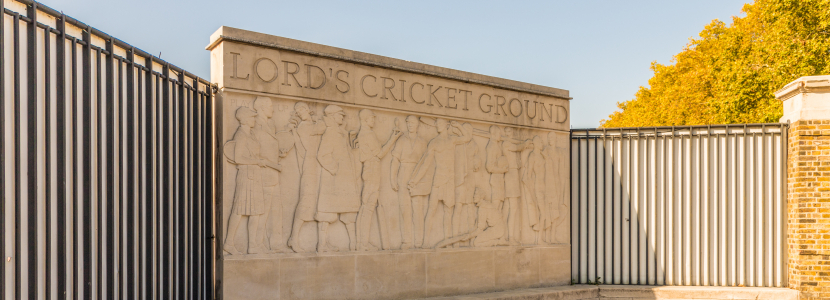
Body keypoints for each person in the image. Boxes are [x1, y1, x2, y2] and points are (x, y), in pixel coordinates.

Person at [224, 107, 280, 255]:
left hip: (255, 175)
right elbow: (238, 158)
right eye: (252, 117)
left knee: (256, 212)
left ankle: (253, 245)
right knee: (239, 211)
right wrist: (257, 162)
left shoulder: (252, 135)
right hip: (246, 175)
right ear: (245, 119)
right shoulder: (241, 135)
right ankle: (229, 243)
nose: (254, 120)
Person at [408, 118, 471, 248]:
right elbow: (426, 164)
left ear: (446, 125)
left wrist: (458, 126)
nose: (438, 125)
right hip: (438, 179)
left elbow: (467, 137)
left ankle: (447, 242)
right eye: (437, 123)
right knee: (431, 209)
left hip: (449, 180)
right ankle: (426, 241)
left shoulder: (452, 139)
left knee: (448, 211)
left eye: (440, 123)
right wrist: (415, 180)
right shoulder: (434, 143)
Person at [354, 109, 403, 251]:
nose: (373, 121)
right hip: (372, 170)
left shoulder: (363, 134)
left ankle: (362, 243)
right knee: (368, 207)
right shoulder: (367, 134)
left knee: (367, 206)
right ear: (365, 119)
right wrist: (394, 138)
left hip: (371, 170)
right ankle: (363, 243)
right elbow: (380, 154)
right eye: (371, 118)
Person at [316, 105, 361, 252]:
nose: (342, 117)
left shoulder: (340, 133)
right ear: (333, 116)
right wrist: (335, 169)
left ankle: (354, 244)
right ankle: (322, 244)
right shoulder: (330, 133)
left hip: (345, 180)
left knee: (349, 211)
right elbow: (323, 155)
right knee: (326, 213)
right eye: (340, 115)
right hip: (334, 180)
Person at [286, 102, 327, 252]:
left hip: (319, 166)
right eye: (298, 110)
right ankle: (293, 238)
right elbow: (321, 128)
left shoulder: (307, 125)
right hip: (310, 167)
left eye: (303, 108)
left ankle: (323, 242)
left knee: (322, 204)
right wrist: (318, 119)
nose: (301, 112)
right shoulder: (304, 127)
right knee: (306, 202)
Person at [252, 97, 289, 252]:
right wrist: (273, 163)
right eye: (269, 106)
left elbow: (269, 148)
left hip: (274, 174)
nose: (272, 109)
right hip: (264, 174)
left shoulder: (271, 124)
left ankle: (276, 244)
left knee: (276, 210)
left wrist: (279, 154)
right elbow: (255, 153)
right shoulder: (255, 125)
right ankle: (257, 243)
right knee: (263, 211)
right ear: (261, 107)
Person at [390, 116, 428, 249]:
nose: (410, 125)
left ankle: (419, 241)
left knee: (418, 210)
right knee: (405, 210)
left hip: (418, 176)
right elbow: (395, 160)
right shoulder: (401, 140)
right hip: (403, 173)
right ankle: (407, 241)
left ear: (417, 125)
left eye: (413, 123)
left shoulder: (423, 142)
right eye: (408, 123)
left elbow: (427, 164)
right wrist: (392, 178)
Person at [501, 127, 531, 245]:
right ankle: (510, 237)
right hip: (510, 176)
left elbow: (517, 144)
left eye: (510, 131)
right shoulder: (506, 143)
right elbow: (517, 147)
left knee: (509, 208)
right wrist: (525, 144)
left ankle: (506, 235)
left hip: (513, 174)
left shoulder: (509, 142)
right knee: (512, 208)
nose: (509, 133)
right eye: (507, 131)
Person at [485, 125, 508, 244]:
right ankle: (495, 235)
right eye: (499, 133)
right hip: (496, 180)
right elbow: (489, 167)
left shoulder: (496, 146)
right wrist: (502, 170)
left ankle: (499, 236)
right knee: (495, 209)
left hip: (499, 180)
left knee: (499, 209)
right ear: (494, 134)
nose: (500, 135)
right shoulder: (492, 146)